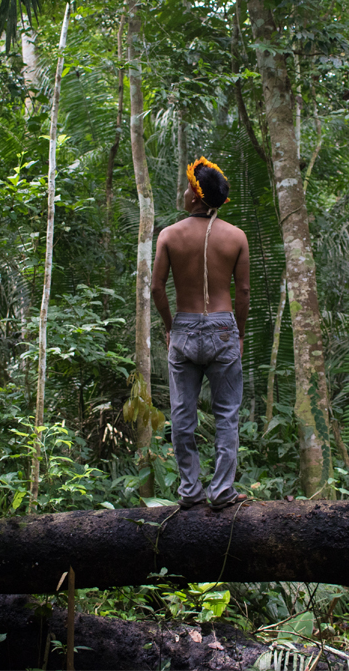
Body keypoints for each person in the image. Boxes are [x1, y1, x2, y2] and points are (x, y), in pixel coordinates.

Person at [152, 157, 251, 509]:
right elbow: (242, 292)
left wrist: (170, 327)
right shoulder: (236, 237)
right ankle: (222, 491)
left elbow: (157, 289)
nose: (183, 192)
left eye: (187, 187)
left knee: (182, 413)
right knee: (226, 414)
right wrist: (237, 334)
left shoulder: (169, 236)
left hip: (184, 329)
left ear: (195, 197)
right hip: (224, 329)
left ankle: (190, 491)